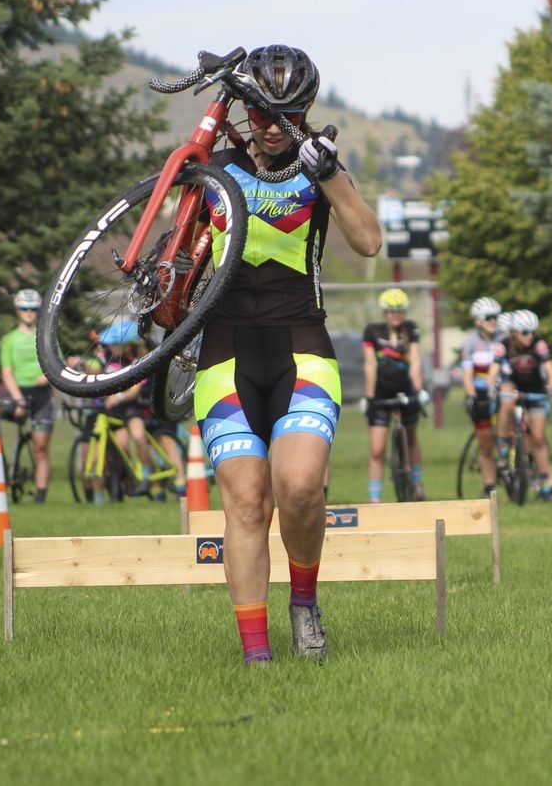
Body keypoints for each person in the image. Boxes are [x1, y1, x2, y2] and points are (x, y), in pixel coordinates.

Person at [196, 44, 380, 664]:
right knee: (247, 502)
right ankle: (256, 657)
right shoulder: (212, 171)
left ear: (303, 113)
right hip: (223, 354)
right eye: (261, 112)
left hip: (302, 344)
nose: (272, 126)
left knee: (300, 488)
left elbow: (369, 240)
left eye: (287, 114)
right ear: (245, 110)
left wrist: (330, 174)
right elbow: (174, 257)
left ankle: (304, 604)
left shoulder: (317, 165)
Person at [361, 288, 430, 503]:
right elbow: (370, 364)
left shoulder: (411, 329)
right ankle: (375, 499)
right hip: (381, 392)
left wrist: (418, 391)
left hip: (406, 390)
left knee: (411, 438)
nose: (396, 315)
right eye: (391, 311)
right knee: (377, 448)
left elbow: (416, 361)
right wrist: (370, 397)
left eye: (399, 311)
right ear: (384, 312)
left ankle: (417, 485)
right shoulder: (372, 331)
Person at [491, 309, 552, 502]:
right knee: (506, 400)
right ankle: (504, 448)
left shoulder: (538, 344)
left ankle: (548, 485)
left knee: (538, 439)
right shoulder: (504, 345)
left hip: (535, 389)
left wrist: (550, 387)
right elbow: (493, 370)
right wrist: (490, 388)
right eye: (524, 332)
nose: (529, 336)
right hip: (512, 385)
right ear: (513, 332)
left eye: (531, 332)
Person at [0, 290, 57, 503]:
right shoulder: (8, 340)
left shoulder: (47, 335)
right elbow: (6, 373)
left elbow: (58, 364)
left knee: (40, 446)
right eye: (24, 309)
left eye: (33, 309)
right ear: (17, 311)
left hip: (41, 394)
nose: (29, 313)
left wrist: (47, 377)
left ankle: (40, 496)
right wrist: (18, 398)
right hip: (18, 392)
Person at [99, 319, 154, 497]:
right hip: (116, 410)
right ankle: (128, 479)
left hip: (132, 407)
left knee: (138, 437)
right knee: (121, 445)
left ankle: (146, 477)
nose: (112, 347)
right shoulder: (110, 359)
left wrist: (118, 397)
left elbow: (134, 391)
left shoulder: (138, 361)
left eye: (115, 344)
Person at [459, 297, 503, 496]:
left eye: (496, 317)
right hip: (481, 394)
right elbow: (468, 375)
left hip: (504, 391)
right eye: (488, 317)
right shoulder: (470, 344)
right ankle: (489, 485)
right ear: (478, 321)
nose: (493, 321)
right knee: (485, 444)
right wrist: (471, 396)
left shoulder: (504, 339)